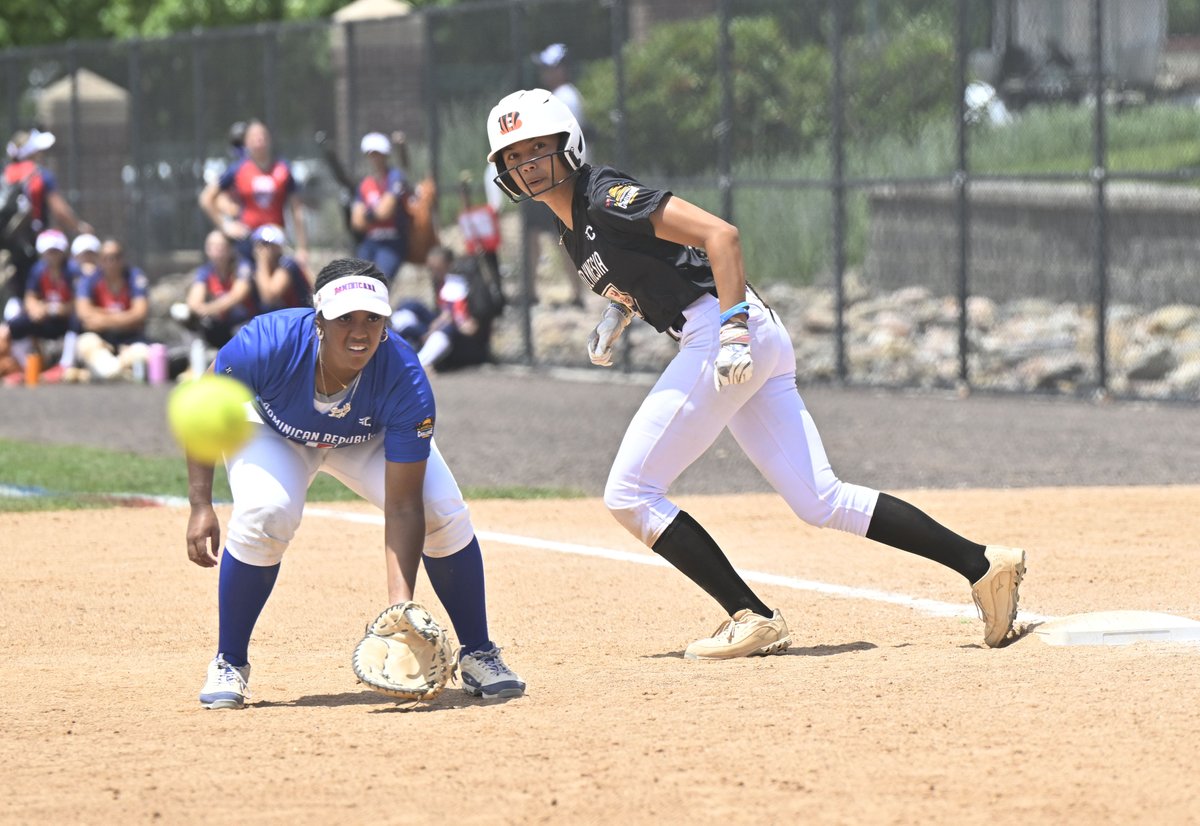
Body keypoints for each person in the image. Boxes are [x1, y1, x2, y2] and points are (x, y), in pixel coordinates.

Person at [485, 88, 1027, 658]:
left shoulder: (601, 197)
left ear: (569, 144)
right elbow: (645, 265)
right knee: (821, 499)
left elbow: (720, 236)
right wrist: (617, 313)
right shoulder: (570, 223)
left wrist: (733, 331)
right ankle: (983, 563)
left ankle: (752, 616)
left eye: (538, 147)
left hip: (722, 329)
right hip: (737, 331)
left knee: (629, 493)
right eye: (513, 156)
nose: (527, 163)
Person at [185, 257, 524, 708]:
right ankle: (229, 661)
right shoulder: (267, 342)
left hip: (365, 435)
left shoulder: (405, 379)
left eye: (372, 319)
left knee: (440, 510)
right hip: (273, 428)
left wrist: (399, 615)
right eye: (345, 318)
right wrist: (200, 505)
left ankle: (479, 652)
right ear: (319, 319)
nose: (360, 332)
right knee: (266, 512)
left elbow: (404, 506)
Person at [518, 44, 587, 309]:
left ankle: (574, 293)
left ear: (563, 69)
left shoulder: (564, 97)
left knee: (558, 235)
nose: (545, 73)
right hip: (553, 177)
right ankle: (538, 292)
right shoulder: (562, 96)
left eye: (550, 67)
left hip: (556, 179)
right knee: (539, 232)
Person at [2, 128, 92, 312]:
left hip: (6, 242)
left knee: (14, 292)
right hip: (33, 244)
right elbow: (59, 210)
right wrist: (79, 227)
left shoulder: (5, 173)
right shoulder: (40, 174)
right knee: (33, 288)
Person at [198, 119, 308, 266]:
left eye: (262, 136)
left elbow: (297, 209)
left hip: (276, 243)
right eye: (254, 137)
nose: (259, 140)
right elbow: (207, 198)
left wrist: (302, 248)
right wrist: (226, 226)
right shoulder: (237, 169)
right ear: (246, 143)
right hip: (247, 242)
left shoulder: (283, 169)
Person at [392, 245, 497, 372]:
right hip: (440, 323)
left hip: (457, 332)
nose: (434, 273)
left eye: (438, 269)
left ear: (449, 265)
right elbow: (441, 312)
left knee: (445, 328)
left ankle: (417, 364)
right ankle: (389, 348)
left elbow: (453, 316)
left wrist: (434, 329)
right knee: (409, 305)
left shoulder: (457, 282)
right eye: (432, 268)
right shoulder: (439, 280)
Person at [0, 229, 82, 386]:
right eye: (49, 252)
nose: (52, 256)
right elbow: (30, 297)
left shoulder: (72, 271)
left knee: (76, 320)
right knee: (17, 325)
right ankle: (23, 367)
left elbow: (80, 303)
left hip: (66, 319)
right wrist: (35, 308)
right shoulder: (38, 270)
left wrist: (55, 309)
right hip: (46, 319)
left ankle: (65, 365)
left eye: (55, 251)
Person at [72, 238, 151, 381]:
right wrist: (125, 317)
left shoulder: (134, 277)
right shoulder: (90, 279)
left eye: (116, 257)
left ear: (123, 259)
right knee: (85, 342)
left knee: (143, 353)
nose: (111, 263)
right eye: (106, 258)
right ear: (100, 260)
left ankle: (96, 375)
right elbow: (84, 313)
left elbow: (140, 314)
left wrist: (101, 317)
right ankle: (118, 371)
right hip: (102, 341)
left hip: (130, 341)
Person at [174, 229, 258, 350]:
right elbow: (194, 301)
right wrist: (201, 309)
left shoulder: (242, 267)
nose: (216, 249)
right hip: (219, 326)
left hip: (242, 324)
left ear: (230, 249)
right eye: (212, 245)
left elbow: (237, 295)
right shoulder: (205, 272)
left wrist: (209, 309)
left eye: (220, 246)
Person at [350, 132, 411, 284]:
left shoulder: (395, 177)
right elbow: (357, 222)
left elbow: (386, 212)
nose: (375, 159)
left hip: (392, 241)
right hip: (370, 240)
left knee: (380, 282)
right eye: (371, 155)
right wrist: (374, 215)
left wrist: (369, 215)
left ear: (385, 155)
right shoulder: (365, 183)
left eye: (378, 154)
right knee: (357, 281)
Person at [250, 223, 313, 311]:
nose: (262, 249)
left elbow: (269, 299)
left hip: (298, 315)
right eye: (259, 244)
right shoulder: (253, 267)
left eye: (267, 244)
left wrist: (262, 263)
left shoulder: (287, 264)